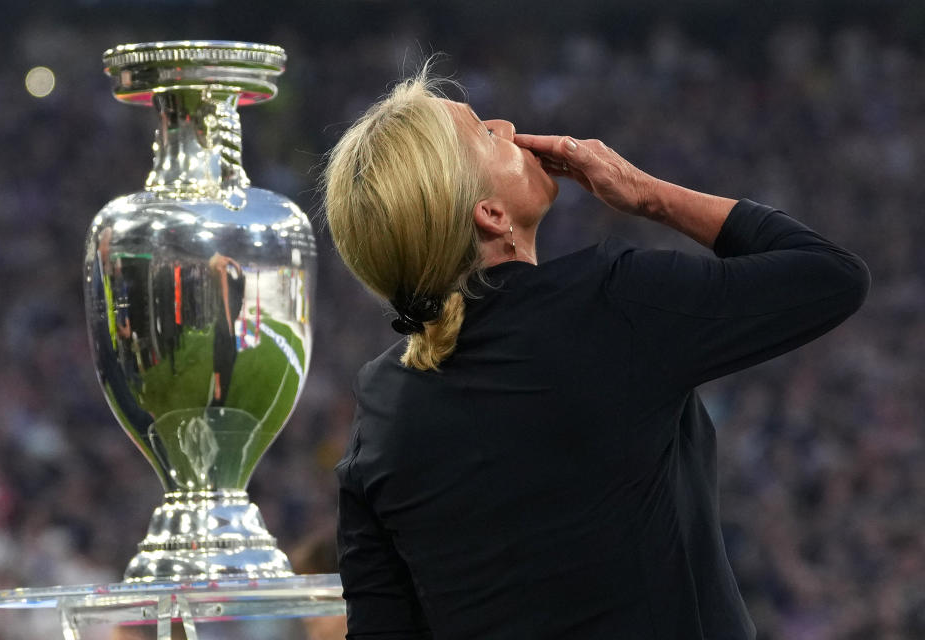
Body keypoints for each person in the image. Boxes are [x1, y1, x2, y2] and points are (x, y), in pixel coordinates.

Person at [322, 66, 869, 639]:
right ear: (491, 214)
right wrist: (646, 194)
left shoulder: (380, 409)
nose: (507, 126)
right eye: (485, 134)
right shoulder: (610, 303)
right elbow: (830, 275)